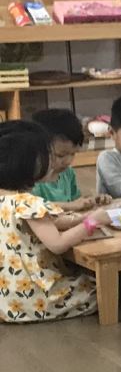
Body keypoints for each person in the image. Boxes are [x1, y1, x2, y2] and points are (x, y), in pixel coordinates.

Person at [0, 121, 102, 323]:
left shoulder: (6, 198)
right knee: (102, 289)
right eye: (48, 155)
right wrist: (91, 223)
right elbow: (58, 244)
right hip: (36, 298)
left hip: (7, 298)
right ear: (31, 164)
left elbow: (44, 224)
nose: (53, 162)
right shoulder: (29, 202)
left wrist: (79, 219)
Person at [28, 108, 108, 212]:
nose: (68, 161)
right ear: (37, 149)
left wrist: (90, 201)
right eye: (60, 155)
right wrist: (69, 206)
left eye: (73, 154)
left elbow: (76, 202)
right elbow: (31, 208)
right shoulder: (33, 179)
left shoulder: (67, 173)